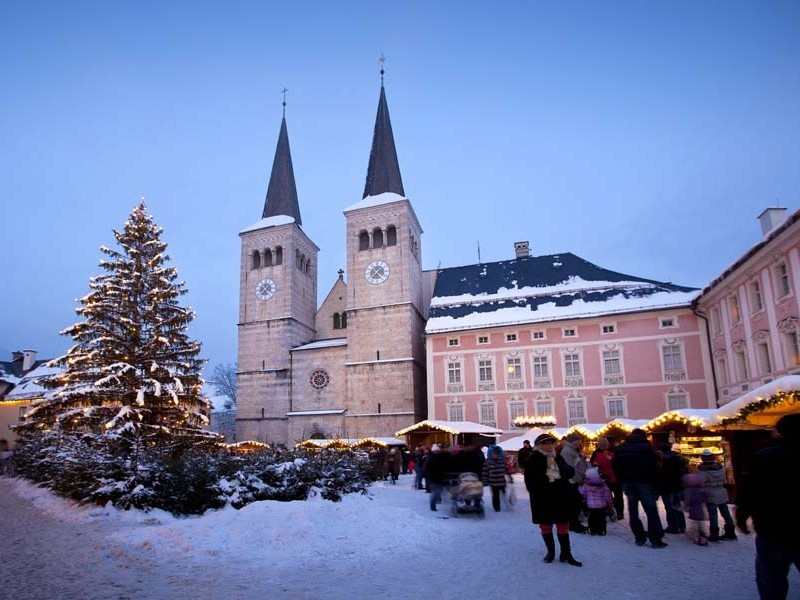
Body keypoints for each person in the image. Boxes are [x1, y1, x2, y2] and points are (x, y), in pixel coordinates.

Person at [736, 413, 800, 600]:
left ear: (780, 432)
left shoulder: (765, 455)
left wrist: (742, 513)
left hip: (773, 526)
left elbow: (750, 489)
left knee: (771, 576)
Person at [523, 432, 582, 567]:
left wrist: (565, 472)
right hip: (543, 499)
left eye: (551, 443)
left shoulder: (557, 457)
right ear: (539, 446)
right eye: (545, 443)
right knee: (546, 525)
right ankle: (551, 552)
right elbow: (530, 482)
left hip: (560, 497)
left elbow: (568, 471)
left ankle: (566, 553)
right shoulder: (533, 459)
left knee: (563, 524)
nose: (549, 446)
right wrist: (545, 483)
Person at [612, 428, 668, 549]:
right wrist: (655, 484)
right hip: (645, 482)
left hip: (628, 483)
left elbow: (615, 466)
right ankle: (655, 539)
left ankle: (639, 537)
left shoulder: (621, 448)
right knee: (651, 511)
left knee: (633, 511)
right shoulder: (647, 448)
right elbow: (654, 468)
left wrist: (622, 479)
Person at [697, 449, 736, 542]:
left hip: (710, 492)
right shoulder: (720, 467)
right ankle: (730, 532)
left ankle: (714, 534)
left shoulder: (702, 469)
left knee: (713, 514)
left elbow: (701, 481)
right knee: (725, 512)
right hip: (721, 491)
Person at [559, 433, 589, 533]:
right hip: (571, 481)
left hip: (574, 480)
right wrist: (577, 478)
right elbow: (570, 467)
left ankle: (574, 523)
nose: (580, 442)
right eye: (578, 440)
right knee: (575, 503)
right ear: (574, 441)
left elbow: (576, 464)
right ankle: (573, 524)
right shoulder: (567, 451)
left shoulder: (572, 450)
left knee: (576, 503)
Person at [591, 436, 624, 520]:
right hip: (604, 476)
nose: (602, 446)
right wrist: (595, 463)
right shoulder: (596, 452)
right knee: (607, 495)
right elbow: (592, 462)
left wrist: (612, 460)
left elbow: (619, 462)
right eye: (600, 445)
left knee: (618, 495)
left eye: (603, 444)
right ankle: (610, 510)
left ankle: (620, 512)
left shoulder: (614, 451)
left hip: (615, 476)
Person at [658, 442, 688, 534]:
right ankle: (682, 526)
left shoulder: (662, 459)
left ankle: (673, 527)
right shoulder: (678, 457)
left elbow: (661, 473)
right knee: (677, 505)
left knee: (669, 507)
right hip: (677, 485)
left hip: (667, 486)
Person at [579, 468, 613, 535]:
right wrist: (609, 501)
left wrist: (586, 499)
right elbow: (607, 493)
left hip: (591, 505)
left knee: (592, 517)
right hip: (601, 505)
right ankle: (602, 530)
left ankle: (592, 529)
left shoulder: (586, 485)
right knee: (601, 517)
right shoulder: (602, 484)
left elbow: (582, 492)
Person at [682, 471, 709, 546]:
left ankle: (696, 535)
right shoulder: (701, 490)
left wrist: (686, 506)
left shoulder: (689, 492)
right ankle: (702, 533)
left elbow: (687, 500)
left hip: (693, 509)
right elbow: (704, 498)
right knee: (700, 522)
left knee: (694, 522)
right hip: (700, 509)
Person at [425, 444, 451, 512]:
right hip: (436, 476)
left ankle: (436, 503)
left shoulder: (431, 458)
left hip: (436, 476)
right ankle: (434, 504)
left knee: (436, 491)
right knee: (436, 491)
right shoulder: (437, 458)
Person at [482, 446, 508, 512]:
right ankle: (497, 508)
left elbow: (506, 470)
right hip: (493, 482)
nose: (493, 455)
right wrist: (484, 481)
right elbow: (485, 472)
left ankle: (506, 504)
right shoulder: (488, 462)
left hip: (501, 481)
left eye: (495, 454)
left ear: (498, 454)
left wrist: (509, 476)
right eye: (492, 454)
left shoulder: (502, 461)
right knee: (495, 495)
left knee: (504, 493)